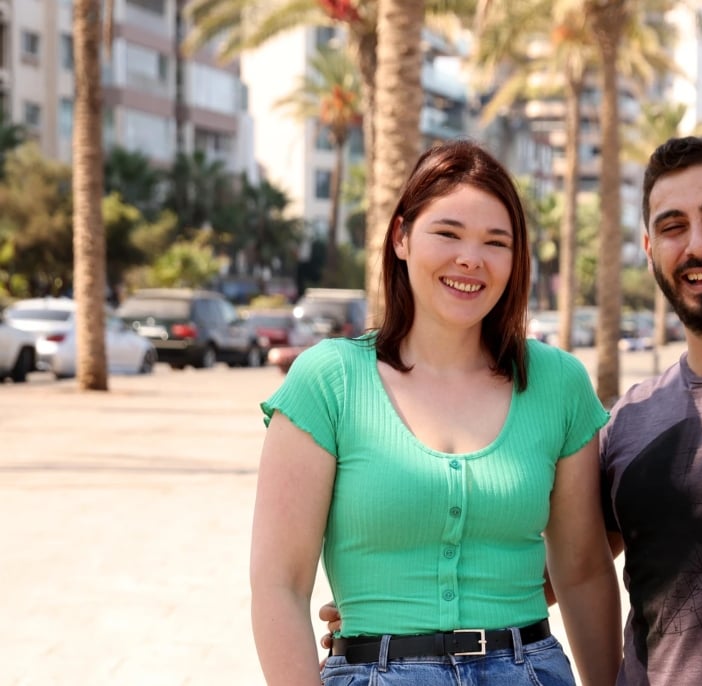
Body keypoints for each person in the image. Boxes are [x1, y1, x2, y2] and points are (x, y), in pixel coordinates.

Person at [321, 136, 702, 684]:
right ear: (649, 249)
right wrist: (404, 606)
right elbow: (564, 564)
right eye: (673, 227)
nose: (698, 244)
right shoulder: (631, 420)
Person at [251, 139, 621, 686]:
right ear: (401, 237)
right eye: (447, 233)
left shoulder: (558, 384)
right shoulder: (329, 381)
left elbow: (584, 570)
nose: (470, 259)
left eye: (496, 242)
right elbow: (278, 583)